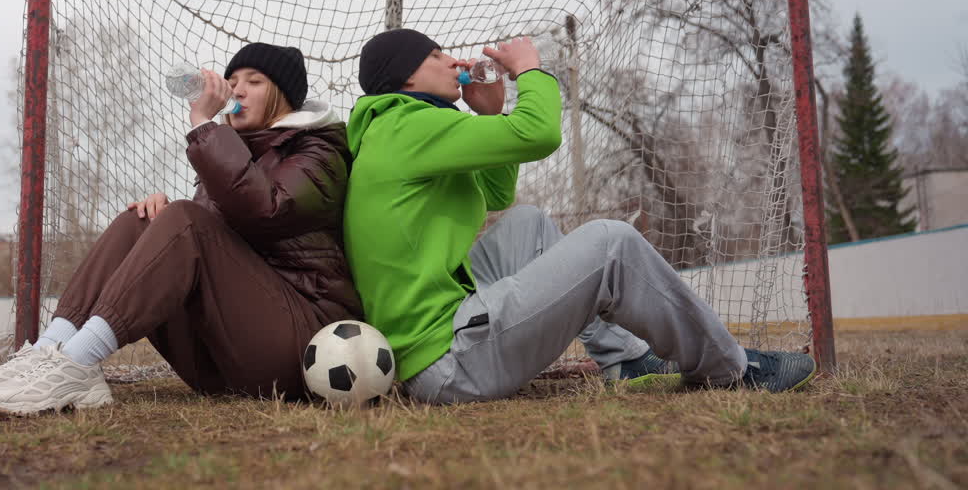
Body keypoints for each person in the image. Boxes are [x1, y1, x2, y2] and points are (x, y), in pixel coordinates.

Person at [342, 28, 817, 405]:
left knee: (525, 222)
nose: (452, 61)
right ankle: (731, 369)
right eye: (434, 56)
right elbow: (540, 134)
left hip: (433, 345)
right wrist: (531, 71)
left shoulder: (396, 128)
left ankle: (626, 361)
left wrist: (491, 116)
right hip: (448, 363)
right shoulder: (408, 123)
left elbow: (495, 194)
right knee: (610, 242)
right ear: (405, 78)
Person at [0, 43, 362, 414]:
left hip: (298, 342)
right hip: (226, 356)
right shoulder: (230, 151)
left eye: (254, 82)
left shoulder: (317, 149)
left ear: (283, 97)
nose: (237, 91)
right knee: (143, 218)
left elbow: (266, 209)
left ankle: (77, 362)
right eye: (233, 81)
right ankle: (50, 353)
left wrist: (203, 124)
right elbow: (216, 238)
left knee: (182, 217)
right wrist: (165, 220)